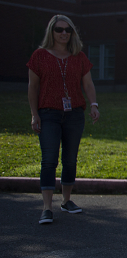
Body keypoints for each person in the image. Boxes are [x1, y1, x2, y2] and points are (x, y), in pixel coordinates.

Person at [27, 15, 100, 225]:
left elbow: (88, 84)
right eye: (59, 30)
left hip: (74, 113)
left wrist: (93, 105)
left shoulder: (79, 56)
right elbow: (32, 87)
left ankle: (67, 201)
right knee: (49, 159)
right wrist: (34, 114)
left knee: (70, 158)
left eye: (68, 30)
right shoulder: (39, 56)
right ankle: (47, 208)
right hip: (48, 113)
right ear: (52, 32)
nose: (64, 33)